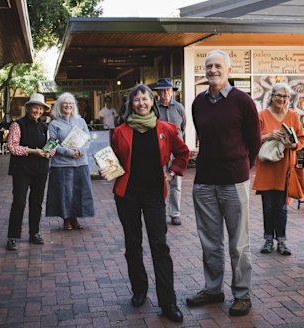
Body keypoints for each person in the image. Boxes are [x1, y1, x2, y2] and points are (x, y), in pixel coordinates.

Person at [186, 50, 261, 316]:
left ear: (228, 70)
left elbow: (254, 141)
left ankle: (242, 294)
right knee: (210, 241)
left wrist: (241, 165)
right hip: (204, 181)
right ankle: (213, 289)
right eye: (208, 66)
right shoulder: (198, 103)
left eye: (218, 65)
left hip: (233, 181)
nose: (213, 70)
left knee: (238, 243)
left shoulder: (243, 101)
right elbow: (203, 138)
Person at [106, 84, 189, 323]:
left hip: (154, 194)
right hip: (127, 195)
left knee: (159, 246)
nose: (141, 103)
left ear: (152, 102)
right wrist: (108, 169)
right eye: (136, 100)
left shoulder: (167, 129)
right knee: (133, 244)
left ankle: (168, 302)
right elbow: (112, 160)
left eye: (145, 99)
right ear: (131, 104)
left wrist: (172, 173)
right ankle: (139, 290)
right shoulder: (120, 131)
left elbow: (183, 154)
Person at [252, 83, 304, 255]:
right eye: (278, 96)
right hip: (267, 169)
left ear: (289, 99)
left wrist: (294, 144)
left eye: (285, 97)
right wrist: (269, 135)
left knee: (281, 207)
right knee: (268, 206)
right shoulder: (261, 116)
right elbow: (251, 140)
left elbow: (302, 140)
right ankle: (268, 240)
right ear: (271, 96)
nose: (282, 99)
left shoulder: (293, 116)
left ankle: (281, 242)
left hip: (285, 169)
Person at [5, 93, 56, 251]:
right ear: (28, 108)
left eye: (40, 108)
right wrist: (33, 151)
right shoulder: (17, 125)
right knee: (19, 202)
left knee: (37, 203)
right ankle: (13, 236)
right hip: (21, 170)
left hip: (40, 170)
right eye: (35, 107)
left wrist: (50, 151)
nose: (38, 111)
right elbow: (12, 147)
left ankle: (34, 233)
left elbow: (49, 146)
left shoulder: (44, 127)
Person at [46, 93, 95, 231]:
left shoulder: (81, 121)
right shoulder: (54, 123)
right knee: (64, 192)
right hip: (62, 164)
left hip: (81, 163)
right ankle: (66, 219)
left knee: (78, 192)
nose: (68, 105)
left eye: (71, 103)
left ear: (74, 106)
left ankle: (75, 218)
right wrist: (69, 152)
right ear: (59, 106)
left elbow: (88, 140)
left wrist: (80, 151)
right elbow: (52, 143)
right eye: (65, 103)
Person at [154, 78, 186, 226]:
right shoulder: (154, 108)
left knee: (176, 184)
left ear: (172, 91)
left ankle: (175, 213)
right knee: (158, 182)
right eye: (162, 90)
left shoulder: (179, 108)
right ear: (158, 92)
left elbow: (183, 127)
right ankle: (158, 211)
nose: (165, 93)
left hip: (175, 152)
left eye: (168, 89)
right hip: (158, 151)